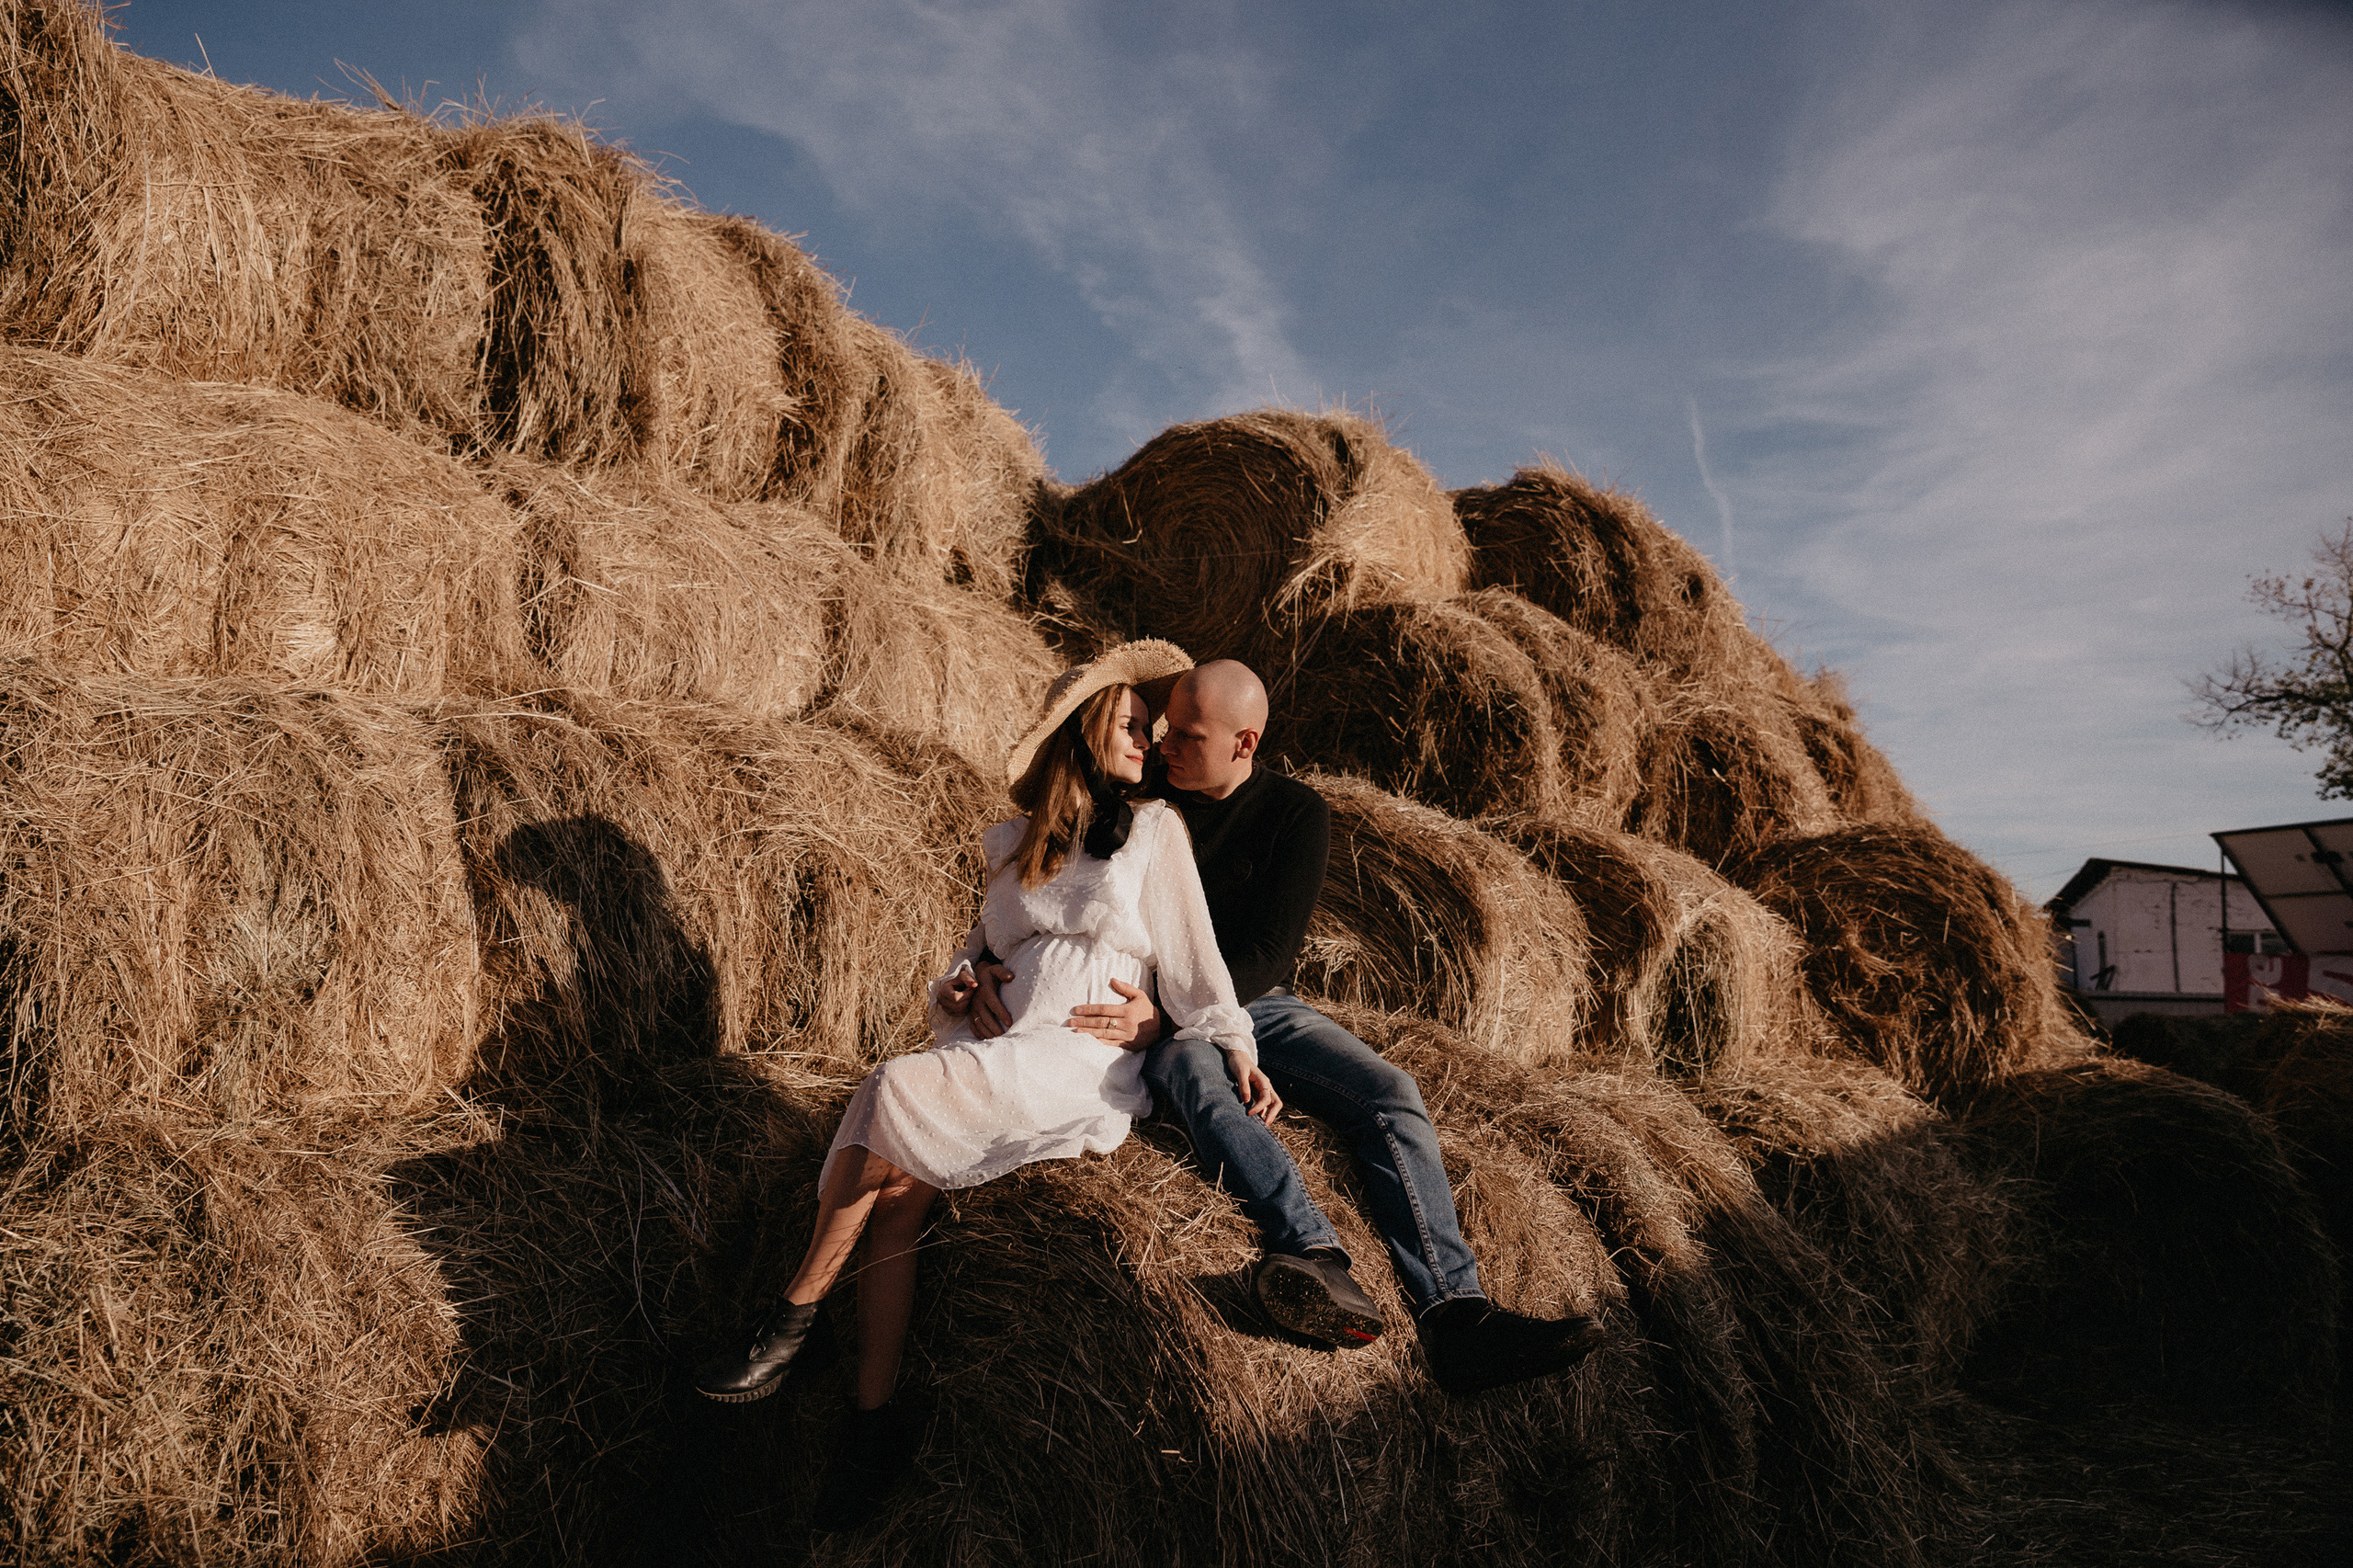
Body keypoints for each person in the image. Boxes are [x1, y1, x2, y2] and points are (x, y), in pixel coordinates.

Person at [691, 641, 1263, 1528]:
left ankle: (792, 1317)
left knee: (888, 1089)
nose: (1149, 742)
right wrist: (959, 986)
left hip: (1079, 1059)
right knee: (901, 1196)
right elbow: (970, 968)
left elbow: (1194, 963)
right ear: (1084, 733)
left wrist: (1227, 1041)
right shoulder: (1011, 849)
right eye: (1131, 726)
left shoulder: (1155, 833)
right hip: (1008, 1043)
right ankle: (871, 1427)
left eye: (1152, 731)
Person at [969, 660, 1605, 1395]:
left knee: (1390, 1093)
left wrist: (1185, 1012)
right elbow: (1049, 884)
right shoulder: (1142, 796)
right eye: (1165, 729)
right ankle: (1313, 1255)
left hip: (1253, 999)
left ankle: (1457, 1317)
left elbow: (1270, 952)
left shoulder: (1295, 813)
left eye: (1190, 736)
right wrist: (984, 964)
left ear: (1244, 743)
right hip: (1146, 998)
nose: (1167, 745)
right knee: (1194, 1075)